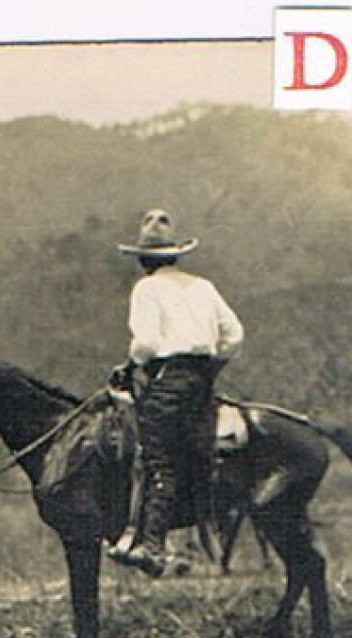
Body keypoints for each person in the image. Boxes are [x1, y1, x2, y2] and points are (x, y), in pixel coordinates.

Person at [107, 209, 244, 577]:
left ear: (142, 259)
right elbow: (234, 336)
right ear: (176, 255)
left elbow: (147, 342)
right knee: (199, 455)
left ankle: (151, 546)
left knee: (157, 460)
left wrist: (131, 364)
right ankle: (201, 540)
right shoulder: (203, 287)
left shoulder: (146, 289)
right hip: (202, 382)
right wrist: (210, 367)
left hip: (166, 381)